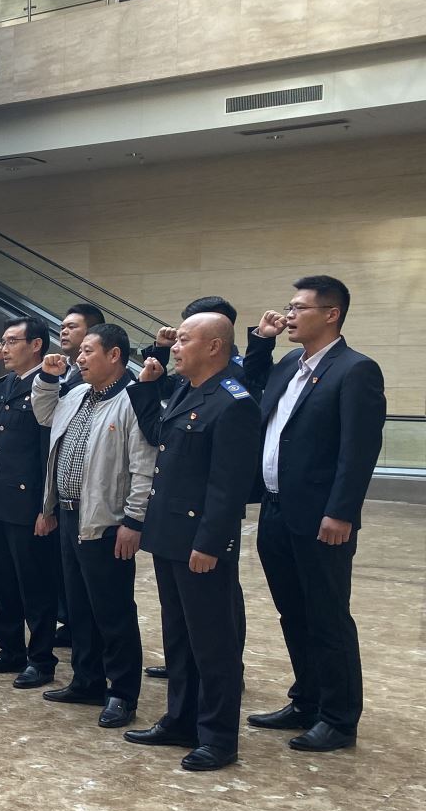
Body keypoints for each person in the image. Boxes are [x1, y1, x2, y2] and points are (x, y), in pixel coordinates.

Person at [242, 276, 386, 752]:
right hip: (275, 509)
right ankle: (306, 699)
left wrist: (342, 511)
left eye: (299, 308)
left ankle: (339, 719)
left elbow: (358, 450)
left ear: (331, 314)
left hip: (322, 518)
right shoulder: (289, 364)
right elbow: (253, 392)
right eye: (289, 306)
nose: (289, 315)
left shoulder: (355, 370)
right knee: (293, 611)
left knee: (327, 616)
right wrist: (260, 343)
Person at [124, 314, 260, 770]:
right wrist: (147, 387)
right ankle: (180, 720)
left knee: (213, 643)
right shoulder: (186, 390)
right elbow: (159, 437)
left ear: (215, 346)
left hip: (200, 542)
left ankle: (218, 737)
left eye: (184, 340)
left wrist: (210, 543)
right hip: (169, 535)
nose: (175, 347)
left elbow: (228, 486)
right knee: (179, 636)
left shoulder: (233, 403)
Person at [32, 324, 156, 729]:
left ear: (114, 355)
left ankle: (122, 693)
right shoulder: (76, 394)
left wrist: (133, 521)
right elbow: (44, 414)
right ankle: (86, 680)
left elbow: (144, 468)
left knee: (113, 611)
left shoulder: (132, 399)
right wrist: (47, 379)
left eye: (88, 351)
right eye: (80, 352)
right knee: (79, 607)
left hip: (107, 522)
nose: (79, 358)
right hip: (70, 515)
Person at [0, 317, 59, 688]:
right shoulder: (7, 383)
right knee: (4, 582)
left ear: (36, 344)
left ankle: (41, 660)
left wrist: (46, 508)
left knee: (35, 586)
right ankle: (9, 650)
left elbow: (47, 453)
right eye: (3, 341)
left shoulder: (49, 386)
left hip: (29, 505)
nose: (4, 348)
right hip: (0, 499)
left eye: (11, 341)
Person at [57, 303, 104, 389]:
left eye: (71, 327)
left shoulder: (102, 374)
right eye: (62, 328)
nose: (64, 332)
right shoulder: (58, 367)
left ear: (92, 331)